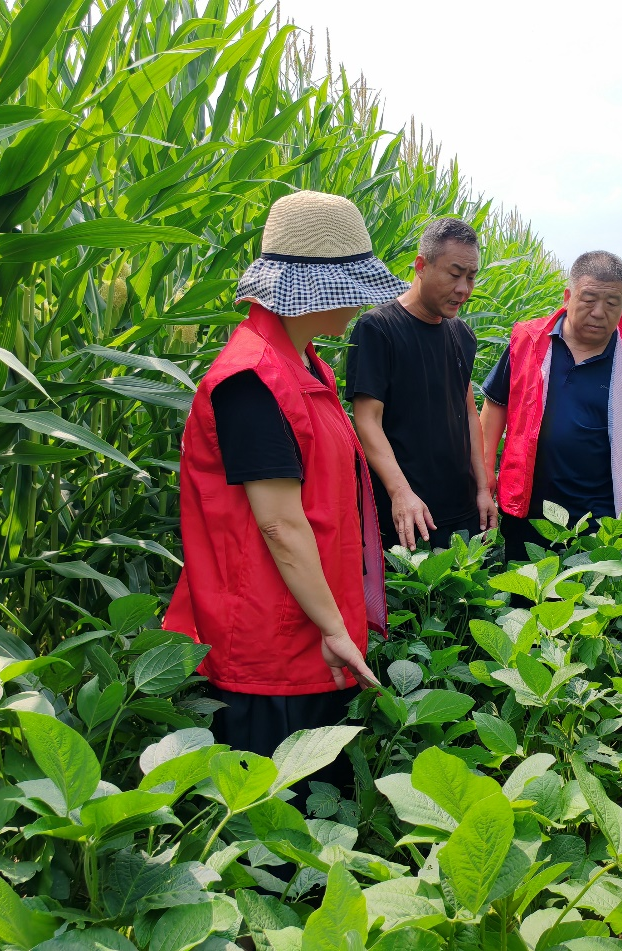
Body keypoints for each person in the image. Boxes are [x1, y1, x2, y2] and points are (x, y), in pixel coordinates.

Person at [165, 190, 406, 793]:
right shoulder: (252, 381)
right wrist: (333, 628)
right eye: (349, 287)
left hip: (306, 627)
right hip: (269, 644)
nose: (358, 302)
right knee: (270, 823)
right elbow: (279, 523)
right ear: (314, 289)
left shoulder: (304, 363)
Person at [480, 250, 622, 562]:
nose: (599, 312)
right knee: (526, 604)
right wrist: (484, 483)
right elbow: (494, 411)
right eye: (589, 299)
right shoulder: (528, 342)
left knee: (596, 607)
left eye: (612, 303)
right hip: (527, 514)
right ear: (567, 297)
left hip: (604, 522)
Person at [345, 218, 497, 551]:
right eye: (454, 274)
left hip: (463, 511)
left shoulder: (463, 335)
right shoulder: (378, 329)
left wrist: (483, 490)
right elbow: (367, 419)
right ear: (421, 266)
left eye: (471, 277)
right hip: (408, 514)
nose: (463, 289)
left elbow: (469, 415)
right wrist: (401, 493)